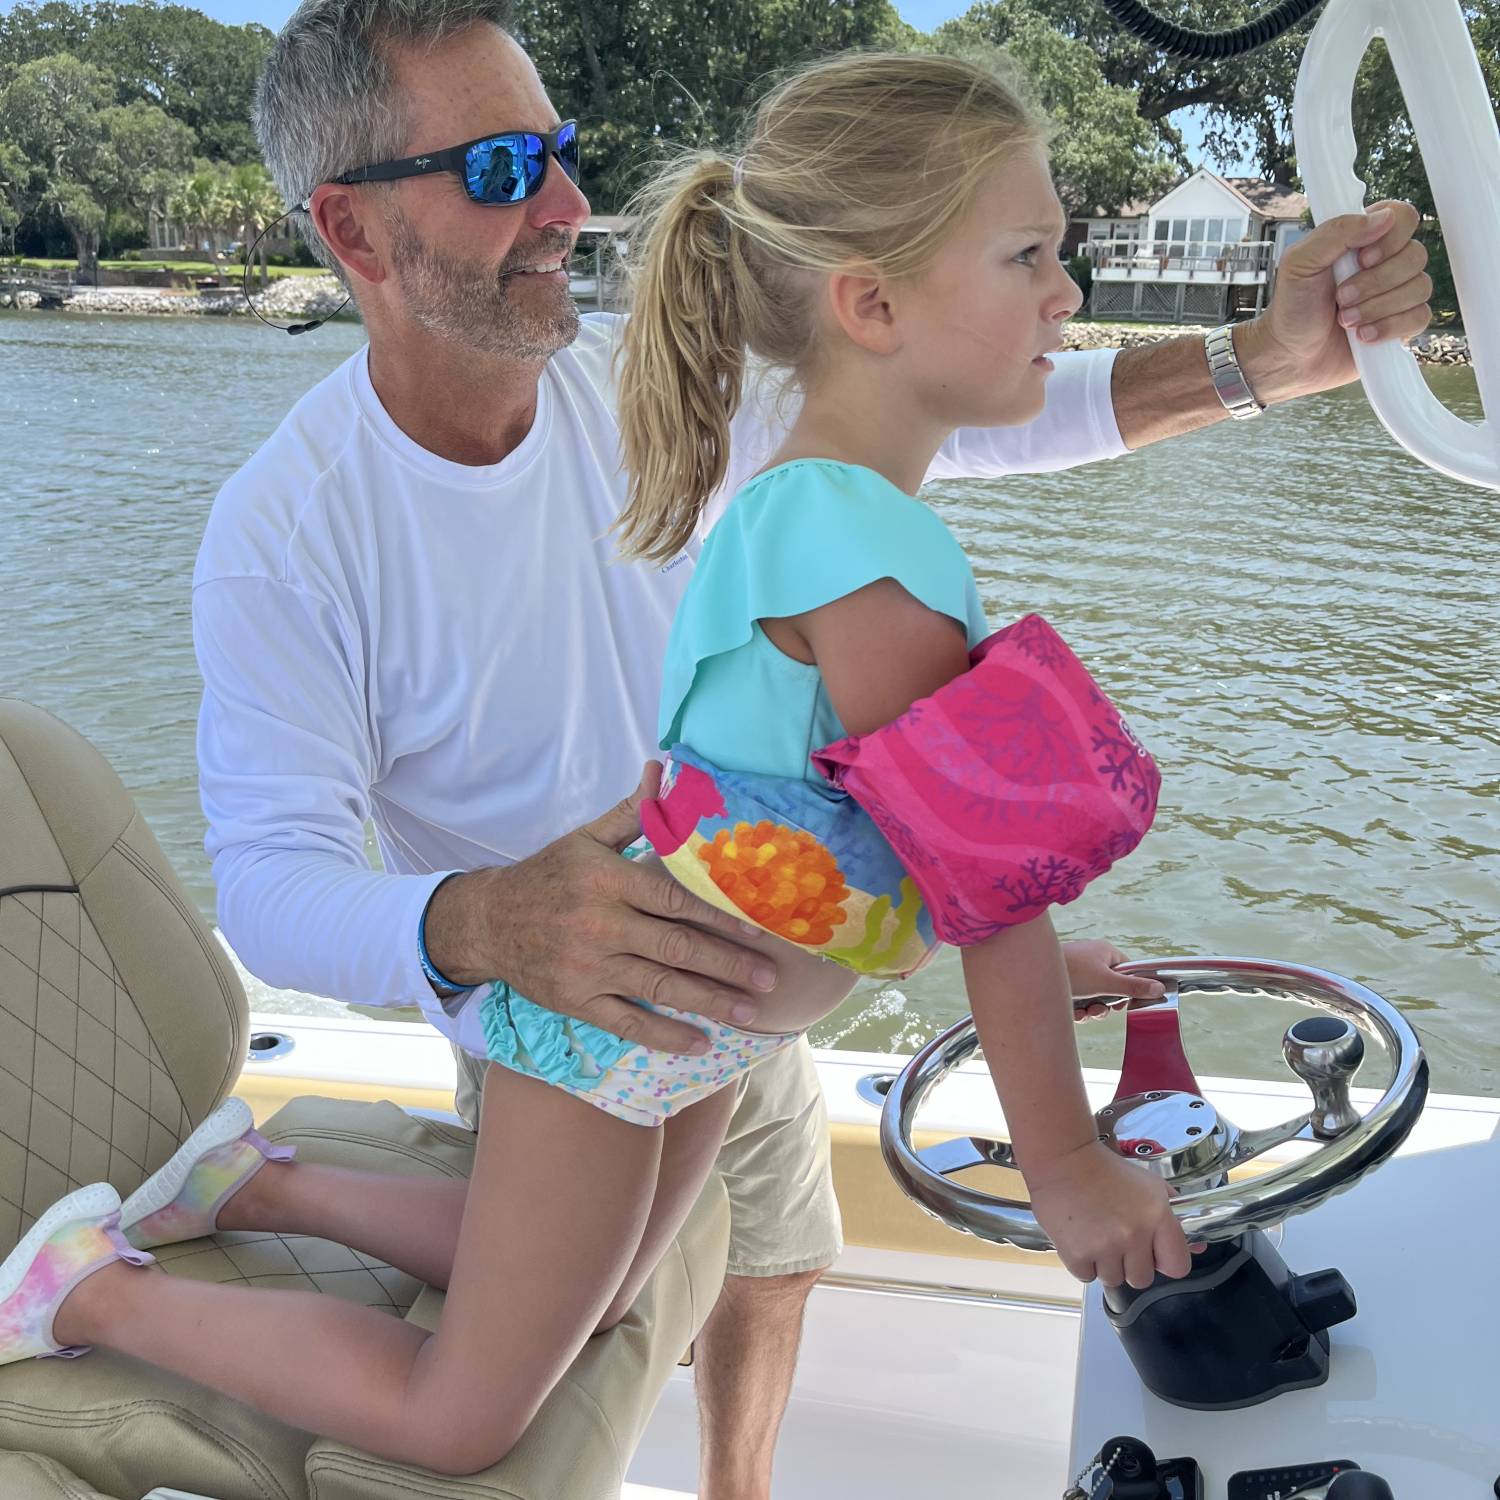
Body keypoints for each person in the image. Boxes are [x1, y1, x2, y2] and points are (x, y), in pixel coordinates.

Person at [0, 1, 1433, 1490]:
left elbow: (984, 411)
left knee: (752, 1265)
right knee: (489, 1385)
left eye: (556, 152)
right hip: (580, 996)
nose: (566, 205)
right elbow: (271, 886)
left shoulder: (664, 384)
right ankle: (89, 1287)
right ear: (352, 234)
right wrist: (491, 916)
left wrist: (1267, 362)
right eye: (500, 171)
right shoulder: (285, 535)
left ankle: (274, 1195)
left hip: (762, 973)